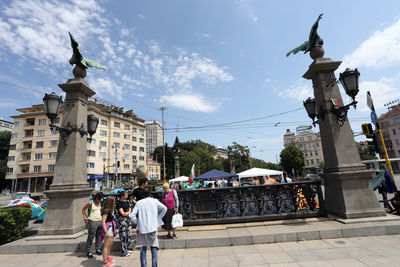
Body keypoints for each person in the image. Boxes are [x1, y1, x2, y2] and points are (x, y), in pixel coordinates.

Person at [130, 188, 167, 267]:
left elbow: (132, 215)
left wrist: (138, 222)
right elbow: (164, 208)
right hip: (152, 227)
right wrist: (158, 218)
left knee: (143, 249)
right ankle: (154, 265)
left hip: (142, 228)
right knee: (154, 248)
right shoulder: (155, 201)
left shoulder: (139, 203)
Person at [82, 192, 103, 258]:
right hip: (92, 221)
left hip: (99, 220)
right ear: (95, 198)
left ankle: (98, 249)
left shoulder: (100, 203)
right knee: (91, 237)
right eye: (98, 199)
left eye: (100, 199)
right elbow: (83, 209)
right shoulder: (90, 203)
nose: (98, 200)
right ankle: (88, 251)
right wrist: (85, 217)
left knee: (98, 236)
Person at [99, 196, 117, 267]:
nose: (115, 202)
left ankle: (107, 257)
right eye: (114, 201)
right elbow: (103, 221)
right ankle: (105, 261)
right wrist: (105, 231)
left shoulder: (110, 210)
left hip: (111, 227)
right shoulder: (106, 210)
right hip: (108, 227)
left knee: (110, 244)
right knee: (106, 245)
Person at [116, 190, 132, 257]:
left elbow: (130, 208)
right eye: (126, 194)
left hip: (128, 219)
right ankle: (123, 250)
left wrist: (127, 213)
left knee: (129, 234)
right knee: (123, 235)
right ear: (122, 196)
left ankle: (128, 248)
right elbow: (122, 213)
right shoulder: (119, 203)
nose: (127, 195)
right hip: (122, 220)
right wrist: (127, 213)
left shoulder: (127, 202)